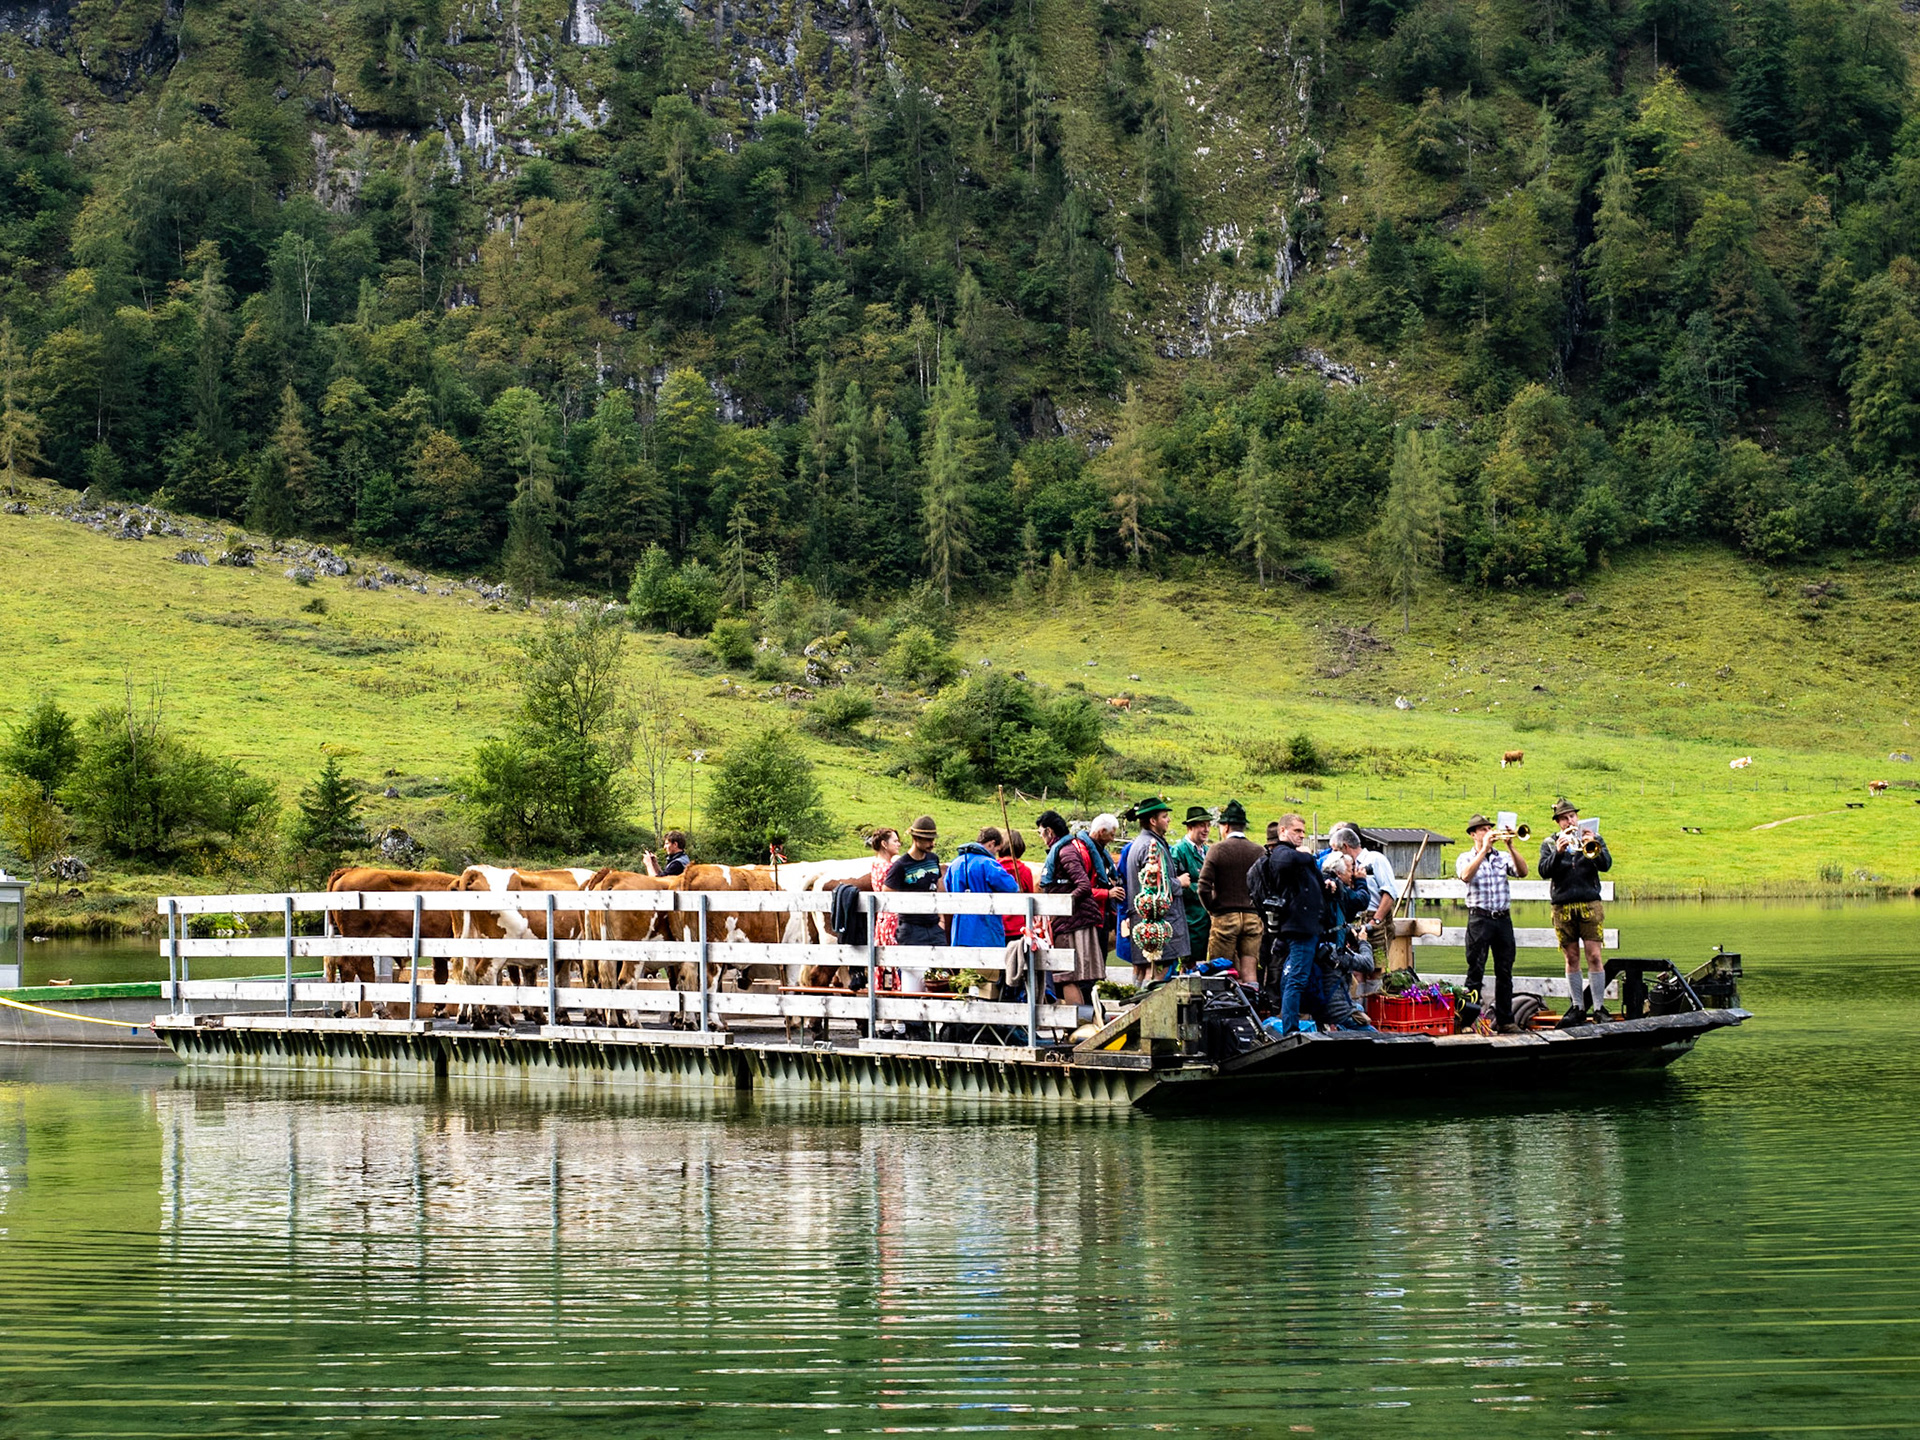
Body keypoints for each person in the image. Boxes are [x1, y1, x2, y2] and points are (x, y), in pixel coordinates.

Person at [1249, 813, 1333, 1035]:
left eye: (1303, 833)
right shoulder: (1282, 854)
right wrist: (1307, 856)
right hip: (1299, 928)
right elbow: (1285, 860)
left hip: (1305, 926)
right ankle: (1291, 1030)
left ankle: (1303, 1024)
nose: (1301, 836)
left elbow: (1310, 881)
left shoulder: (1294, 857)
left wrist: (1327, 884)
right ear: (1283, 831)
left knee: (1293, 977)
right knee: (1296, 978)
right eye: (1297, 831)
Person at [1539, 797, 1613, 1022]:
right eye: (1564, 818)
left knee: (1594, 955)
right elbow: (1544, 871)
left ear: (1578, 817)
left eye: (1572, 816)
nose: (1569, 820)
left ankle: (1599, 1007)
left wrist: (1594, 845)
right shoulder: (1550, 843)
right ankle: (1577, 1007)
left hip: (1590, 903)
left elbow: (1606, 865)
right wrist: (1559, 853)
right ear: (1558, 822)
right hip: (1562, 906)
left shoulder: (1594, 838)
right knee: (1571, 957)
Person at [1457, 813, 1529, 1032]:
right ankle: (1469, 1021)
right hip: (1479, 918)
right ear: (1473, 834)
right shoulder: (1465, 857)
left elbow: (1523, 872)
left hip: (1502, 919)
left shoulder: (1502, 857)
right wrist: (1483, 850)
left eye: (1489, 828)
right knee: (1475, 971)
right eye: (1482, 829)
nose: (1488, 831)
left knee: (1505, 971)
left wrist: (1511, 847)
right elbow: (1466, 876)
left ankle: (1506, 1021)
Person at [1044, 811, 1116, 1010]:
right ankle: (1088, 1020)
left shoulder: (1066, 851)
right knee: (1075, 978)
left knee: (1069, 977)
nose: (1041, 837)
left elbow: (1083, 886)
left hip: (1071, 921)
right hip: (1080, 919)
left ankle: (1077, 1027)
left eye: (1041, 833)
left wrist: (1062, 905)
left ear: (1049, 832)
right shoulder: (1073, 848)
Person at [1328, 823, 1396, 1005]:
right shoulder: (1345, 866)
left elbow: (1390, 893)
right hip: (1354, 921)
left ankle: (1374, 1016)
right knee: (1355, 968)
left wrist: (1376, 920)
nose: (1333, 854)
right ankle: (1358, 1013)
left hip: (1376, 921)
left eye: (1335, 850)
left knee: (1376, 968)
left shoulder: (1376, 859)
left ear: (1345, 847)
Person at [1123, 797, 1190, 983]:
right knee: (1160, 968)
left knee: (1145, 968)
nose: (1168, 820)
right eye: (1164, 816)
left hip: (1143, 918)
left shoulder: (1140, 843)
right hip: (1157, 920)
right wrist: (1179, 882)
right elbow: (1154, 883)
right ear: (1153, 821)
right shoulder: (1150, 846)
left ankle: (1138, 1008)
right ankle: (1148, 1008)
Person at [884, 816, 946, 1013]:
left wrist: (942, 918)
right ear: (916, 839)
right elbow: (887, 893)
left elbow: (936, 889)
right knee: (916, 976)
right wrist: (909, 904)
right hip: (912, 927)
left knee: (941, 976)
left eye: (932, 839)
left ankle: (937, 1023)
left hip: (934, 926)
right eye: (927, 840)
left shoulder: (933, 859)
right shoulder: (901, 865)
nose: (931, 843)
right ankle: (912, 1023)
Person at [1198, 800, 1263, 972]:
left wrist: (1212, 908)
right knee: (1249, 972)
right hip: (1252, 917)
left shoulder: (1217, 849)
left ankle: (1222, 999)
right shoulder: (1259, 851)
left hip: (1225, 917)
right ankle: (1251, 998)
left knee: (1221, 971)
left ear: (1225, 826)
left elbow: (1203, 886)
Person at [945, 828, 1021, 953]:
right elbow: (1011, 887)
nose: (996, 854)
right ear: (991, 843)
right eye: (996, 850)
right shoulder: (988, 864)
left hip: (960, 931)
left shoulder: (955, 864)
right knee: (988, 971)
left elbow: (948, 889)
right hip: (985, 931)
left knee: (966, 971)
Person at [1170, 806, 1212, 971]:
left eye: (1208, 825)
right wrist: (1203, 889)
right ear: (1190, 827)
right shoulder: (1178, 851)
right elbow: (1174, 883)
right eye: (1201, 825)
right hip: (1189, 918)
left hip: (1206, 918)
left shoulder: (1208, 851)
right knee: (1188, 961)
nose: (1206, 829)